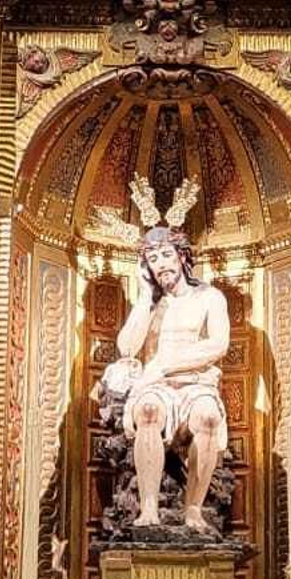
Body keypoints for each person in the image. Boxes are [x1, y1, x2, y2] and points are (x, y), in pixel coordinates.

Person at [100, 223, 229, 534]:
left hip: (195, 383)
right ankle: (148, 507)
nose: (161, 264)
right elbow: (128, 348)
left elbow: (217, 344)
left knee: (209, 417)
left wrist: (167, 364)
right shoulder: (151, 304)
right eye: (153, 259)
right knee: (147, 411)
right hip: (155, 387)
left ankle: (194, 509)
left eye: (166, 255)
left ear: (182, 256)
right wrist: (145, 298)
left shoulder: (209, 297)